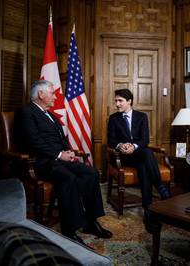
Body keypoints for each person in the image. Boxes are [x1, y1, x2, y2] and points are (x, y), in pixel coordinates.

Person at [14, 80, 112, 247]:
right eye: (52, 93)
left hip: (59, 159)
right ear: (40, 94)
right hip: (41, 162)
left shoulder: (50, 115)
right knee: (68, 177)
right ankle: (70, 228)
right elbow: (33, 141)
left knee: (92, 173)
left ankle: (90, 222)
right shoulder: (25, 112)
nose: (55, 96)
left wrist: (69, 152)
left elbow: (61, 139)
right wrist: (59, 154)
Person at [107, 88, 170, 232]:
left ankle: (147, 210)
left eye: (120, 101)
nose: (117, 104)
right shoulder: (113, 118)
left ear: (129, 101)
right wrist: (121, 145)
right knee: (147, 154)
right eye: (116, 100)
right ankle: (159, 186)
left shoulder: (142, 117)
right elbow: (111, 140)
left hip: (138, 154)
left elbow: (145, 139)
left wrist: (134, 147)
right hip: (122, 157)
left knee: (144, 160)